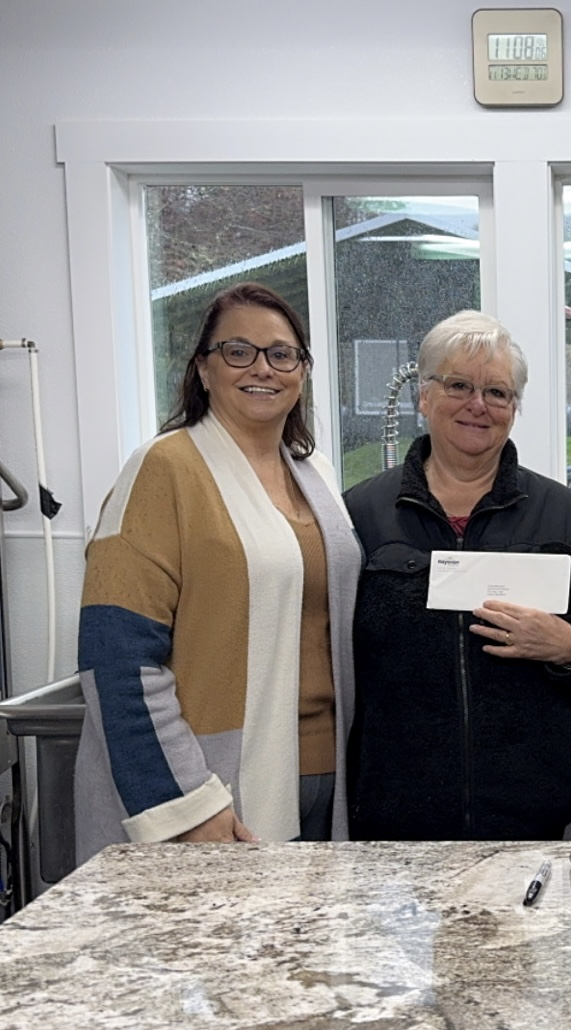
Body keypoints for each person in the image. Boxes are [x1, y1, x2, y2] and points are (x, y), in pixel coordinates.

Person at [74, 282, 360, 863]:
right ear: (203, 369)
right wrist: (186, 804)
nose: (263, 368)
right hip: (211, 785)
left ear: (301, 372)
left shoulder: (317, 474)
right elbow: (117, 661)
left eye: (282, 354)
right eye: (238, 351)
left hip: (323, 778)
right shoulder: (162, 470)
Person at [345, 309, 571, 840]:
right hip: (394, 834)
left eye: (497, 393)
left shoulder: (562, 514)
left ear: (514, 408)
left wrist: (569, 643)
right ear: (424, 396)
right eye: (459, 385)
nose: (478, 405)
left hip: (533, 826)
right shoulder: (361, 515)